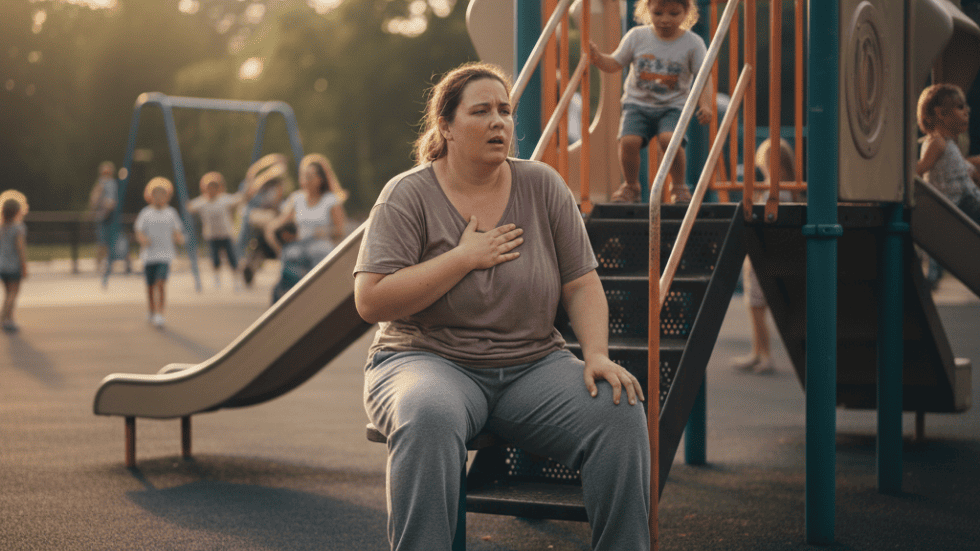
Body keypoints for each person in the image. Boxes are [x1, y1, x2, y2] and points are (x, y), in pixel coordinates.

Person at [353, 62, 650, 551]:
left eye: (505, 111)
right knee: (428, 414)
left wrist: (596, 354)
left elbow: (581, 284)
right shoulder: (407, 195)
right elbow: (371, 299)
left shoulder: (543, 185)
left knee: (618, 413)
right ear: (445, 127)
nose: (499, 122)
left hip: (532, 364)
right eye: (482, 111)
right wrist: (463, 258)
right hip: (426, 359)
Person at [589, 0, 714, 203]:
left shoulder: (693, 43)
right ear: (647, 10)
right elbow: (614, 63)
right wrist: (597, 58)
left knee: (669, 140)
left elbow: (703, 77)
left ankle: (679, 186)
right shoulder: (637, 37)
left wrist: (705, 104)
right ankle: (631, 187)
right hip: (636, 105)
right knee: (629, 142)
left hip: (673, 106)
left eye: (673, 13)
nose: (665, 20)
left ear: (686, 12)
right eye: (658, 13)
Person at [731, 138, 800, 375]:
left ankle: (766, 354)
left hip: (766, 256)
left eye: (770, 162)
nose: (766, 166)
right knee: (754, 305)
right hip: (758, 256)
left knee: (759, 305)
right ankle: (758, 351)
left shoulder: (782, 190)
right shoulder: (773, 187)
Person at [263, 153, 347, 296]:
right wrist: (277, 239)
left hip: (320, 244)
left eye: (309, 176)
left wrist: (325, 232)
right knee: (290, 255)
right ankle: (290, 295)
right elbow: (278, 225)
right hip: (299, 244)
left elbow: (340, 231)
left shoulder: (330, 200)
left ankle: (318, 293)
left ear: (320, 179)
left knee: (319, 252)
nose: (304, 180)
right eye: (303, 176)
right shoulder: (297, 199)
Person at [917, 82, 980, 226]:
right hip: (959, 205)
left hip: (966, 201)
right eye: (960, 107)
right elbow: (921, 167)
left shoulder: (948, 144)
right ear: (941, 113)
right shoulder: (937, 142)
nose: (967, 111)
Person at [134, 177, 186, 328]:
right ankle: (151, 309)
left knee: (161, 283)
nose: (159, 197)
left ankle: (159, 313)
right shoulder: (146, 213)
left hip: (165, 255)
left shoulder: (170, 213)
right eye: (155, 194)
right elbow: (139, 231)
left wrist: (179, 238)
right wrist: (143, 239)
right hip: (149, 255)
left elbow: (177, 231)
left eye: (162, 194)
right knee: (150, 286)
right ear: (150, 196)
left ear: (167, 196)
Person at [236, 154, 291, 286]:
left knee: (261, 244)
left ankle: (252, 264)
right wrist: (268, 168)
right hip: (263, 220)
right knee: (267, 241)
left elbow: (277, 205)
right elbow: (250, 193)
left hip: (263, 223)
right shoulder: (262, 183)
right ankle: (279, 262)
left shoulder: (273, 184)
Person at [187, 171, 244, 290]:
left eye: (214, 187)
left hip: (226, 234)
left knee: (232, 258)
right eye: (209, 187)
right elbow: (190, 208)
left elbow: (238, 199)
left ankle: (236, 279)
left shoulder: (224, 199)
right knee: (215, 259)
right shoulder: (202, 201)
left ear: (219, 188)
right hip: (211, 236)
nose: (211, 190)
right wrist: (187, 205)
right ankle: (217, 278)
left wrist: (245, 193)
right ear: (204, 189)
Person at [0, 191, 28, 333]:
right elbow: (20, 249)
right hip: (13, 266)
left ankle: (9, 320)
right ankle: (4, 317)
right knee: (13, 293)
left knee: (7, 293)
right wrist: (24, 266)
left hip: (2, 265)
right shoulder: (18, 228)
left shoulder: (2, 227)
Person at [88, 161, 118, 271]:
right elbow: (93, 201)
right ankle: (100, 264)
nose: (105, 175)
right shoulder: (100, 184)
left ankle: (108, 264)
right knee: (102, 242)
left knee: (111, 241)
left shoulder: (112, 184)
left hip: (110, 217)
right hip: (102, 217)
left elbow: (112, 202)